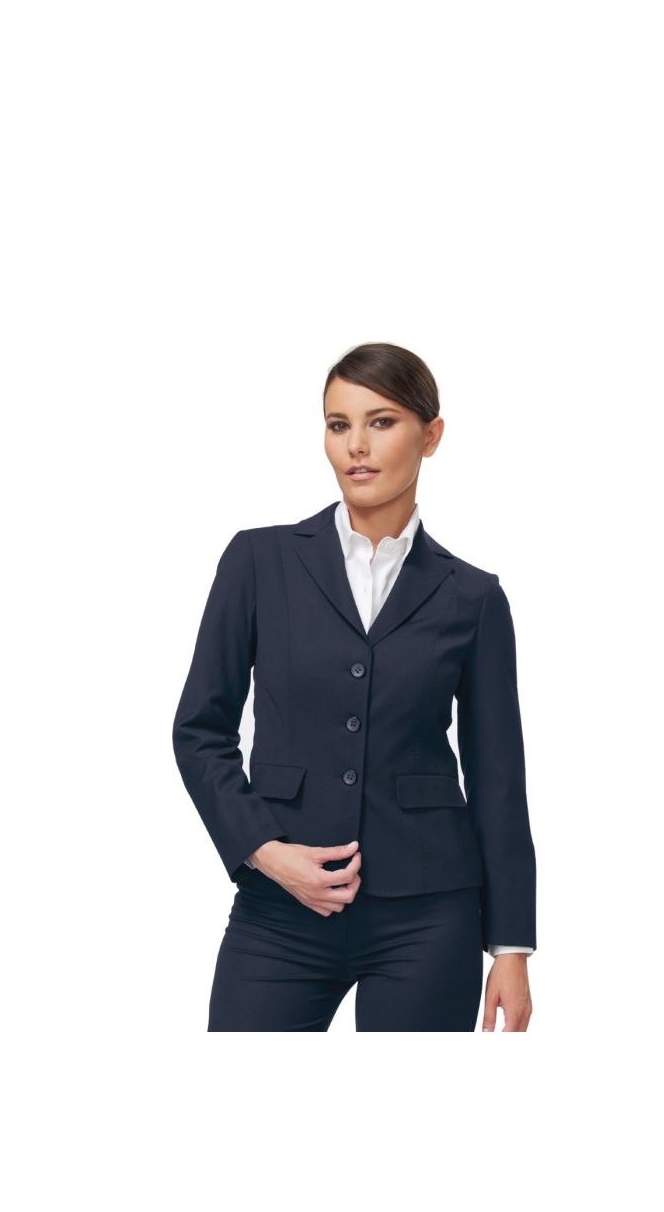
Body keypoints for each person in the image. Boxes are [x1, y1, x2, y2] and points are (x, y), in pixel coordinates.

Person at [172, 343, 536, 1031]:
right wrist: (264, 851)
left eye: (381, 422)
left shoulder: (473, 597)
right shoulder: (258, 561)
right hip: (279, 905)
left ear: (431, 435)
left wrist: (511, 947)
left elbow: (498, 779)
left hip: (428, 913)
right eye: (338, 425)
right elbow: (199, 731)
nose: (356, 447)